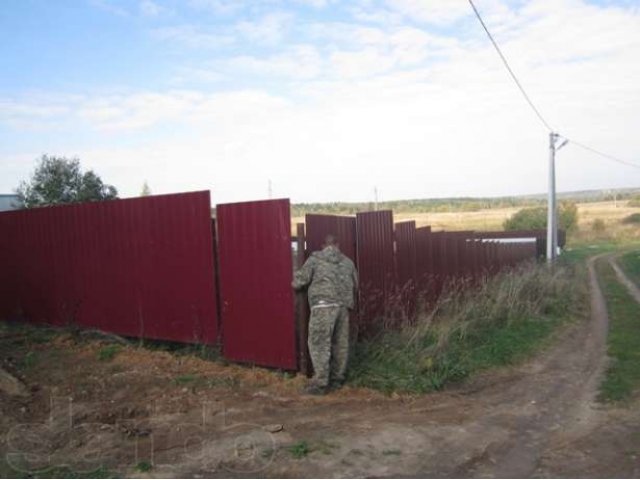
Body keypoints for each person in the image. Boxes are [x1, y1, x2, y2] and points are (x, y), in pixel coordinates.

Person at [292, 234, 358, 395]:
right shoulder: (348, 262)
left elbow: (299, 281)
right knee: (340, 345)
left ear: (323, 245)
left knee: (320, 344)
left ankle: (320, 383)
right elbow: (355, 285)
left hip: (323, 307)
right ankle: (337, 381)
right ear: (338, 245)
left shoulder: (316, 259)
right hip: (343, 308)